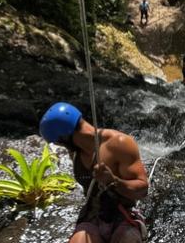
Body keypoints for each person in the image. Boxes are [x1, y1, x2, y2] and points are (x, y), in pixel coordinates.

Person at [40, 102, 149, 243]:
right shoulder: (75, 152)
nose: (59, 146)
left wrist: (113, 181)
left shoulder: (120, 143)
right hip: (93, 216)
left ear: (64, 138)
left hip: (124, 215)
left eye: (58, 143)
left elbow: (143, 190)